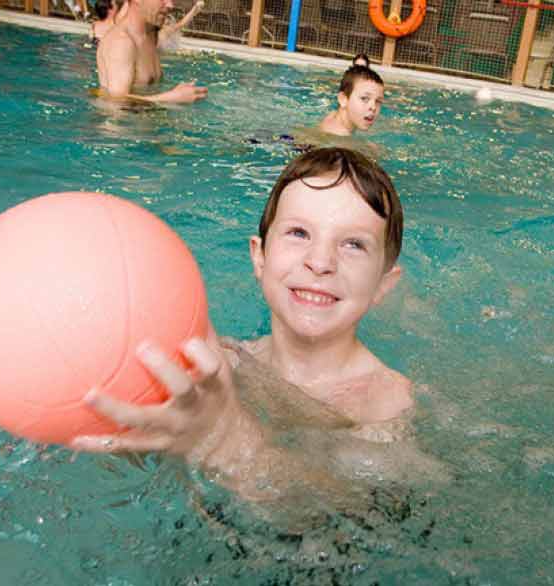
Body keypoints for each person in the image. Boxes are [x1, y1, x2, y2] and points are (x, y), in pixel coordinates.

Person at [72, 148, 430, 502]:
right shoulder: (227, 360)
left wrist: (225, 442)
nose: (320, 262)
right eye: (299, 233)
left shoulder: (388, 405)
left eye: (353, 244)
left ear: (383, 284)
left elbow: (343, 516)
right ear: (259, 257)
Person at [96, 0, 207, 104]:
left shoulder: (151, 34)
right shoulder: (122, 42)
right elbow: (114, 102)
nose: (170, 5)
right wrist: (172, 98)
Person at [318, 56, 385, 137]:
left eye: (378, 101)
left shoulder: (334, 115)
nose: (373, 107)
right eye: (364, 98)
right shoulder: (339, 137)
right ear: (343, 99)